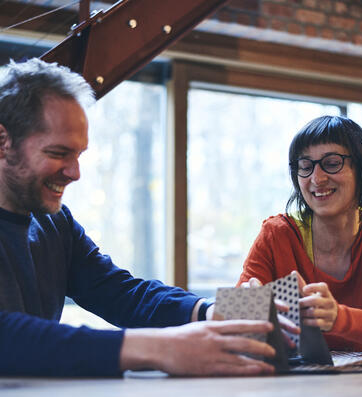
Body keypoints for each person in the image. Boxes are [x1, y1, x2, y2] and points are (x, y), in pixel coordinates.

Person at [0, 58, 279, 377]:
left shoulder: (56, 222)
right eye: (58, 153)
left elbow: (119, 293)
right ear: (3, 141)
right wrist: (160, 347)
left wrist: (213, 312)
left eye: (78, 155)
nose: (75, 173)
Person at [238, 115, 362, 352]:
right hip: (290, 381)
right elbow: (234, 317)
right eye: (305, 166)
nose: (317, 178)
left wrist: (338, 318)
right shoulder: (276, 235)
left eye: (332, 163)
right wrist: (244, 306)